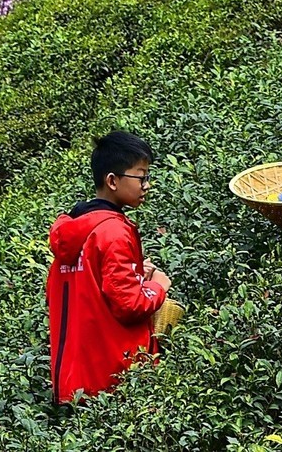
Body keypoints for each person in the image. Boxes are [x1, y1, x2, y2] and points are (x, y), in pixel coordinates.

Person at [47, 131, 172, 404]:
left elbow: (92, 287)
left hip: (72, 382)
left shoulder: (73, 230)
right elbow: (129, 305)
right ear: (113, 180)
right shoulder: (114, 231)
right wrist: (156, 286)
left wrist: (137, 273)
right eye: (141, 176)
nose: (146, 185)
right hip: (113, 383)